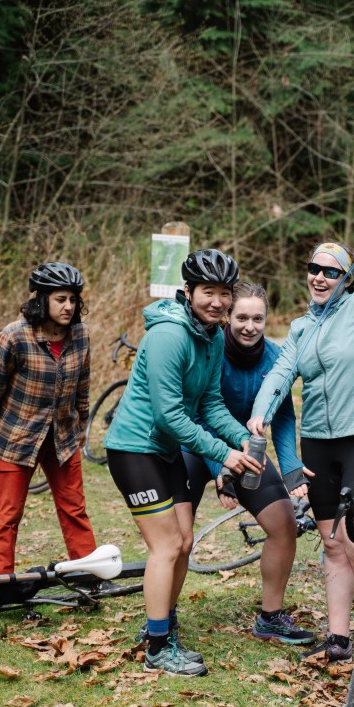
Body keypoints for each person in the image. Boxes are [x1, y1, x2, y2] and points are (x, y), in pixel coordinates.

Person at [249, 159, 354, 662]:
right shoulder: (301, 328)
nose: (319, 277)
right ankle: (339, 639)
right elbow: (280, 375)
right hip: (319, 444)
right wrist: (260, 412)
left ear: (347, 277)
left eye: (330, 270)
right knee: (331, 544)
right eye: (313, 269)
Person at [104, 249, 262, 677]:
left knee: (185, 542)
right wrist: (223, 453)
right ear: (188, 292)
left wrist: (243, 438)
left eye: (224, 293)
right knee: (167, 545)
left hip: (166, 450)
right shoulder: (170, 336)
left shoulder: (211, 337)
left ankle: (163, 624)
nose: (217, 302)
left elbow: (209, 404)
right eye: (208, 292)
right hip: (135, 449)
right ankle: (157, 647)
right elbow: (168, 416)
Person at [182, 281, 315, 645]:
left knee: (284, 524)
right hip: (195, 447)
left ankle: (270, 617)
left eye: (258, 318)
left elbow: (284, 416)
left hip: (248, 451)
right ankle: (164, 616)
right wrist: (220, 469)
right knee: (178, 538)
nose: (249, 326)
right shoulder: (208, 351)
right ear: (228, 317)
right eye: (241, 317)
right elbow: (194, 414)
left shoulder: (275, 358)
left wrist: (290, 469)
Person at [0, 262, 97, 575]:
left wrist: (81, 425)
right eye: (60, 300)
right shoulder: (13, 338)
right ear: (42, 300)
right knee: (7, 515)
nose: (68, 307)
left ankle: (91, 578)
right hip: (17, 439)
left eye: (72, 300)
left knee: (74, 511)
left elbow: (83, 386)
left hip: (63, 439)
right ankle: (0, 588)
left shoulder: (80, 335)